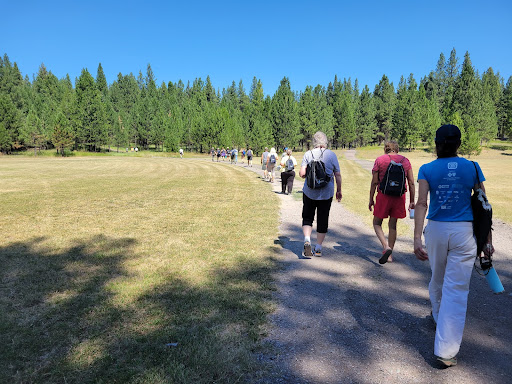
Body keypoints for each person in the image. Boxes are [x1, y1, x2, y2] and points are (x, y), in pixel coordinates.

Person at [413, 124, 493, 368]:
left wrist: (417, 237)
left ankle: (438, 316)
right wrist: (488, 241)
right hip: (464, 232)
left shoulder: (427, 169)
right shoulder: (473, 167)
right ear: (459, 144)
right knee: (456, 289)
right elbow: (483, 206)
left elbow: (421, 204)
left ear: (437, 143)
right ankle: (446, 350)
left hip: (436, 230)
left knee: (438, 278)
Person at [369, 140, 415, 264]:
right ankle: (390, 256)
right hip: (399, 197)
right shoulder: (405, 161)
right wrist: (412, 201)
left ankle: (385, 247)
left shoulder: (380, 160)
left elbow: (374, 182)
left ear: (385, 149)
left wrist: (371, 199)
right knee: (392, 224)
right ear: (397, 149)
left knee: (377, 222)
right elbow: (411, 182)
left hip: (383, 196)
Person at [299, 131, 342, 257]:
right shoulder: (331, 155)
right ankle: (318, 248)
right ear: (325, 142)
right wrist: (339, 190)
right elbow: (337, 174)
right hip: (326, 193)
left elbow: (302, 173)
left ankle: (307, 240)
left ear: (314, 142)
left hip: (309, 192)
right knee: (322, 219)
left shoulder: (308, 154)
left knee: (307, 217)